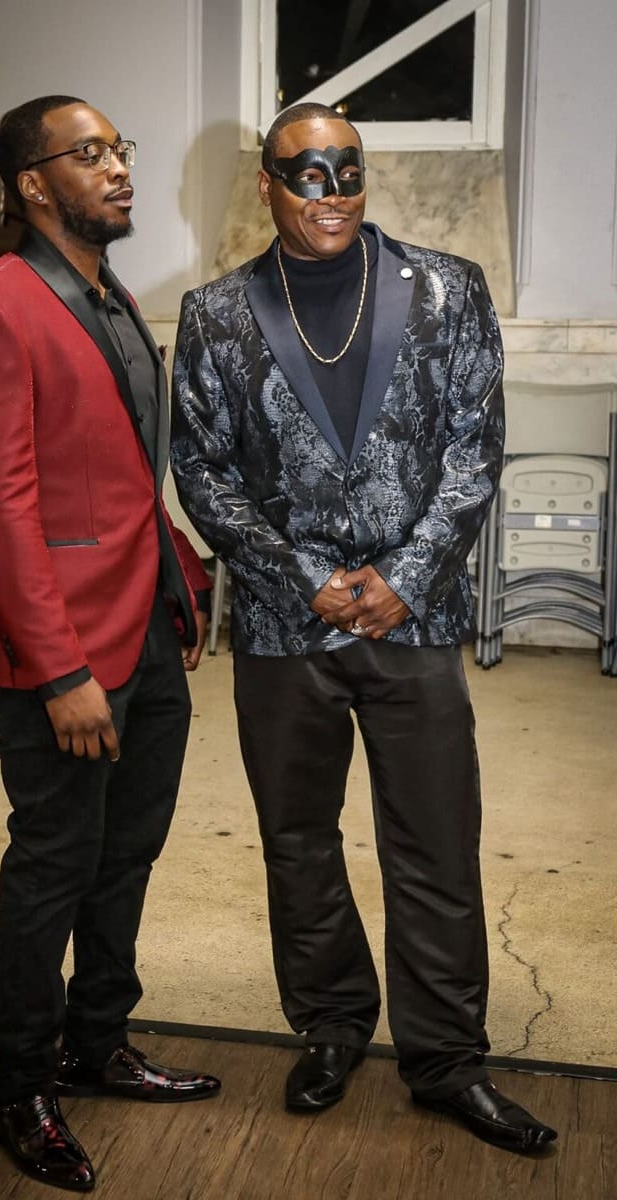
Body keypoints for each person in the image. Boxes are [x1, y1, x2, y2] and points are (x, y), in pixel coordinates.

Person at [171, 101, 556, 1154]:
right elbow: (200, 469)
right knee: (298, 843)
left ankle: (447, 1062)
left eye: (347, 169)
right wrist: (302, 578)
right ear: (267, 184)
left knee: (435, 843)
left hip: (412, 623)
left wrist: (406, 575)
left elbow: (475, 447)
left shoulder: (447, 288)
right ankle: (332, 1027)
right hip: (282, 631)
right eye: (306, 172)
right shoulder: (214, 314)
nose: (331, 191)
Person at [0, 95, 220, 1193]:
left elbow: (122, 480)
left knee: (127, 851)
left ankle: (97, 1042)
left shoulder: (112, 297)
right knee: (53, 863)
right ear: (31, 183)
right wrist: (60, 671)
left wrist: (180, 583)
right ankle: (22, 1085)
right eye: (87, 153)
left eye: (118, 149)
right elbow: (0, 513)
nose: (116, 168)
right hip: (59, 656)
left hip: (145, 628)